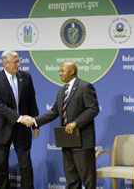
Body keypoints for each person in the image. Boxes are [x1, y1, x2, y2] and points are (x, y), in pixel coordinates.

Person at [22, 61, 99, 189]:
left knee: (88, 179)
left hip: (82, 141)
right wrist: (34, 121)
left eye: (63, 71)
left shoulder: (85, 87)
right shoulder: (61, 91)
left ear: (72, 72)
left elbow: (93, 109)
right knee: (71, 179)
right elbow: (54, 112)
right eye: (60, 71)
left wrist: (76, 123)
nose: (60, 73)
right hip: (67, 140)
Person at [0, 50, 39, 189]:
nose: (18, 64)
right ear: (6, 64)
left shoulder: (26, 77)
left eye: (18, 61)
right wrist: (19, 118)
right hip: (1, 128)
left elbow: (31, 101)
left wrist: (35, 124)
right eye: (15, 62)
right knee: (1, 166)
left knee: (26, 164)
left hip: (22, 129)